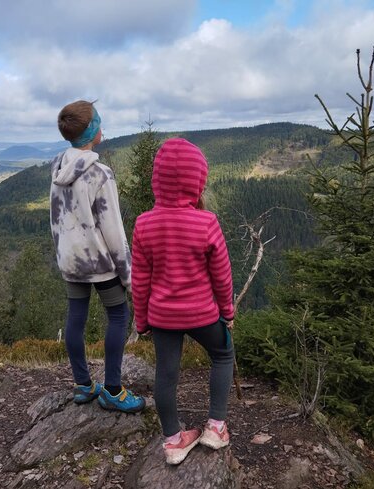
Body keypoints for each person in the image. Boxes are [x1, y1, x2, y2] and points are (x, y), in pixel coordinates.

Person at [131, 137, 235, 464]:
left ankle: (174, 440)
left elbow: (140, 279)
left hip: (162, 317)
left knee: (166, 374)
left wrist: (141, 321)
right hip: (203, 314)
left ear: (157, 180)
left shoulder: (144, 223)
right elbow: (221, 274)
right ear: (197, 182)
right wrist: (227, 311)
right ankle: (215, 427)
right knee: (222, 353)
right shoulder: (206, 222)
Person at [50, 100, 145, 413]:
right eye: (100, 122)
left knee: (76, 317)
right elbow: (113, 229)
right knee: (118, 316)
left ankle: (82, 385)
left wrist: (62, 252)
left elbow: (57, 216)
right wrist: (128, 274)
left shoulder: (56, 165)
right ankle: (113, 391)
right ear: (92, 131)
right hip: (99, 262)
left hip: (70, 259)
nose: (103, 126)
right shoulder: (100, 174)